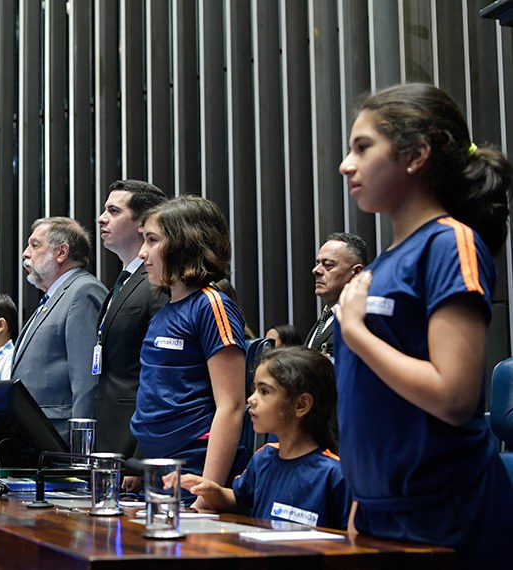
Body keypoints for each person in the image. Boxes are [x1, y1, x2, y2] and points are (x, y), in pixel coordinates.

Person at [335, 82, 513, 567]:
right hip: (378, 512)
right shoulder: (381, 265)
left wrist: (355, 334)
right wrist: (360, 497)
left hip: (446, 513)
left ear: (414, 154)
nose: (345, 164)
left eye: (362, 147)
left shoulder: (450, 244)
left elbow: (454, 397)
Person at [131, 195, 248, 510]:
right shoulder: (164, 312)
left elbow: (232, 406)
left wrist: (205, 498)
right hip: (159, 473)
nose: (142, 253)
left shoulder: (212, 305)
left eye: (152, 240)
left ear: (185, 245)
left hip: (194, 476)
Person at [174, 347, 351, 529]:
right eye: (254, 390)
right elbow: (238, 501)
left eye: (264, 391)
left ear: (301, 404)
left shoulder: (334, 474)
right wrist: (213, 491)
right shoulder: (263, 458)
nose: (251, 399)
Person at [10, 217, 108, 440]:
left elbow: (87, 380)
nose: (26, 253)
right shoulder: (53, 297)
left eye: (35, 245)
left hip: (61, 439)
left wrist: (80, 447)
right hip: (36, 435)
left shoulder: (83, 291)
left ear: (61, 252)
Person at [94, 180, 168, 458]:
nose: (102, 218)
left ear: (142, 223)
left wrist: (142, 453)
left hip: (134, 442)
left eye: (113, 211)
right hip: (108, 436)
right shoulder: (123, 282)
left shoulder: (157, 284)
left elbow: (161, 375)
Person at [305, 233, 367, 355]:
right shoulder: (326, 317)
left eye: (327, 265)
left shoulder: (362, 320)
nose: (316, 270)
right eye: (317, 263)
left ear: (356, 272)